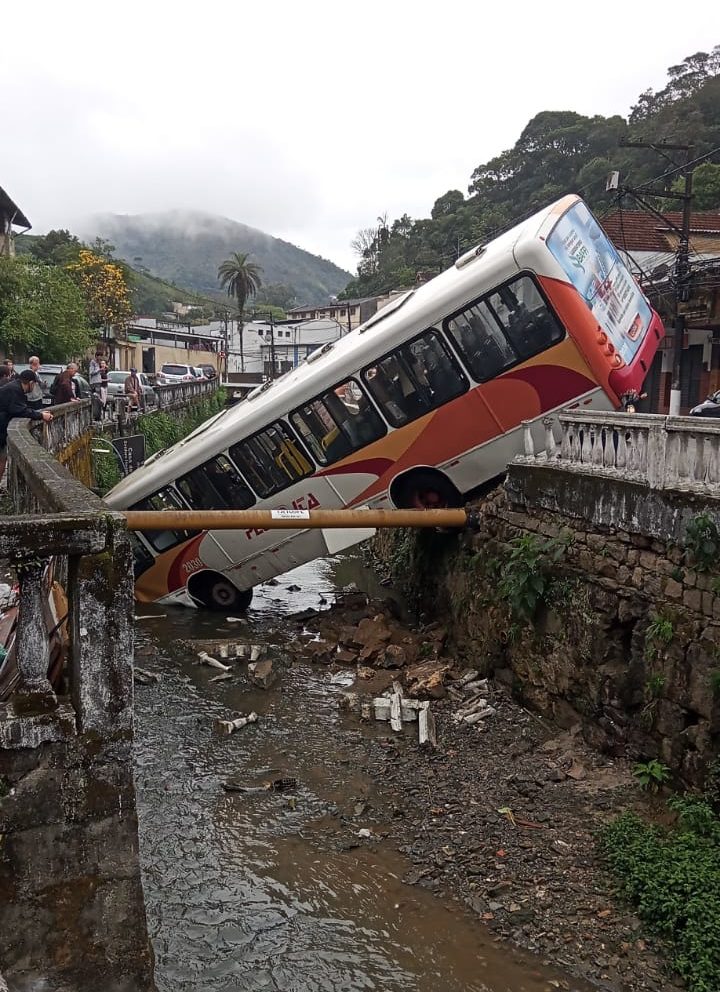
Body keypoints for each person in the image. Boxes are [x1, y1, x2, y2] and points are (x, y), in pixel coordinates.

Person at [0, 370, 53, 478]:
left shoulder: (14, 387)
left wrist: (38, 413)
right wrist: (41, 416)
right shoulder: (14, 389)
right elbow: (19, 410)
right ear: (31, 383)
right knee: (1, 458)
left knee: (2, 458)